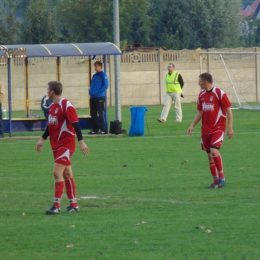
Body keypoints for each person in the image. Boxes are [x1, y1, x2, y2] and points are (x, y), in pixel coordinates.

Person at [36, 81, 89, 214]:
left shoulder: (66, 105)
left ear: (52, 92)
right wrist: (42, 139)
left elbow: (76, 123)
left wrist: (81, 141)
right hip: (56, 145)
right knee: (66, 174)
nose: (47, 91)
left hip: (66, 145)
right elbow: (50, 125)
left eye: (48, 89)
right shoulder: (53, 106)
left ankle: (56, 205)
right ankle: (74, 204)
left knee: (56, 173)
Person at [187, 73, 234, 188]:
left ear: (205, 82)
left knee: (214, 151)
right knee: (209, 156)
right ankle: (216, 181)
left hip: (217, 128)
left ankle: (222, 177)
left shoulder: (219, 93)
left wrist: (230, 127)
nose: (198, 83)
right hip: (205, 130)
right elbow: (200, 112)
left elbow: (228, 110)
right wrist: (192, 125)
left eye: (200, 81)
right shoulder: (201, 95)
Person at [88, 61, 109, 134]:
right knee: (93, 114)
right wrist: (90, 91)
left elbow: (106, 85)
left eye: (96, 66)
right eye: (94, 66)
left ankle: (103, 129)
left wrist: (98, 92)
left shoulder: (103, 75)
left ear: (100, 66)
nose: (95, 68)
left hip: (99, 97)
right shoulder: (94, 76)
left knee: (101, 113)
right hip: (92, 97)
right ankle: (95, 129)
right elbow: (92, 85)